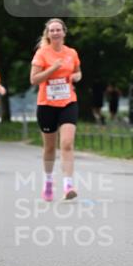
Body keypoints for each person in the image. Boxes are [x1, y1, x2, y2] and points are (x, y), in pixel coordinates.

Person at [30, 18, 82, 201]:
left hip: (68, 102)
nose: (55, 33)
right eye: (52, 30)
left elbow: (78, 71)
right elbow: (34, 79)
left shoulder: (72, 53)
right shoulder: (42, 53)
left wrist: (76, 76)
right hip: (46, 105)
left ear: (64, 32)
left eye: (58, 29)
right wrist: (52, 68)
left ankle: (68, 185)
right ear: (48, 34)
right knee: (50, 147)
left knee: (67, 143)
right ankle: (48, 181)